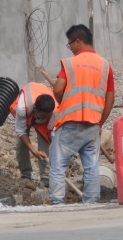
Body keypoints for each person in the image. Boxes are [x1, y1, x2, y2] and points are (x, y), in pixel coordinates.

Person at [48, 25, 115, 204]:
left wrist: (66, 102)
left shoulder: (70, 63)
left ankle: (56, 201)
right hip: (93, 124)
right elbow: (110, 99)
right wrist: (100, 122)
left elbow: (57, 89)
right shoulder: (105, 65)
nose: (70, 47)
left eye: (70, 44)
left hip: (70, 122)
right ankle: (91, 202)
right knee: (91, 165)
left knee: (58, 163)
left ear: (78, 41)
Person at [10, 82, 56, 187]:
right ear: (35, 109)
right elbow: (21, 131)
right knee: (21, 144)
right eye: (43, 115)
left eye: (48, 116)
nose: (45, 118)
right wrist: (34, 151)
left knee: (45, 141)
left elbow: (53, 135)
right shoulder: (22, 108)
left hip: (41, 105)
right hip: (28, 106)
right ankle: (26, 174)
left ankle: (45, 176)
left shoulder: (54, 112)